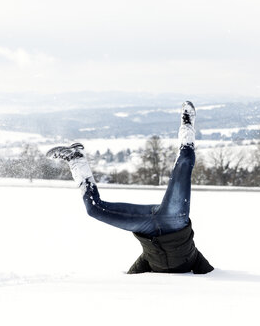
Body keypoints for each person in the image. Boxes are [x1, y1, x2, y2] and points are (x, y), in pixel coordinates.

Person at [46, 101, 214, 274]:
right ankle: (187, 125)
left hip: (146, 228)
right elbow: (210, 273)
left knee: (94, 210)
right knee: (184, 165)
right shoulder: (193, 260)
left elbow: (131, 277)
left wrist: (127, 277)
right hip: (175, 222)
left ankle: (76, 159)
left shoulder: (149, 263)